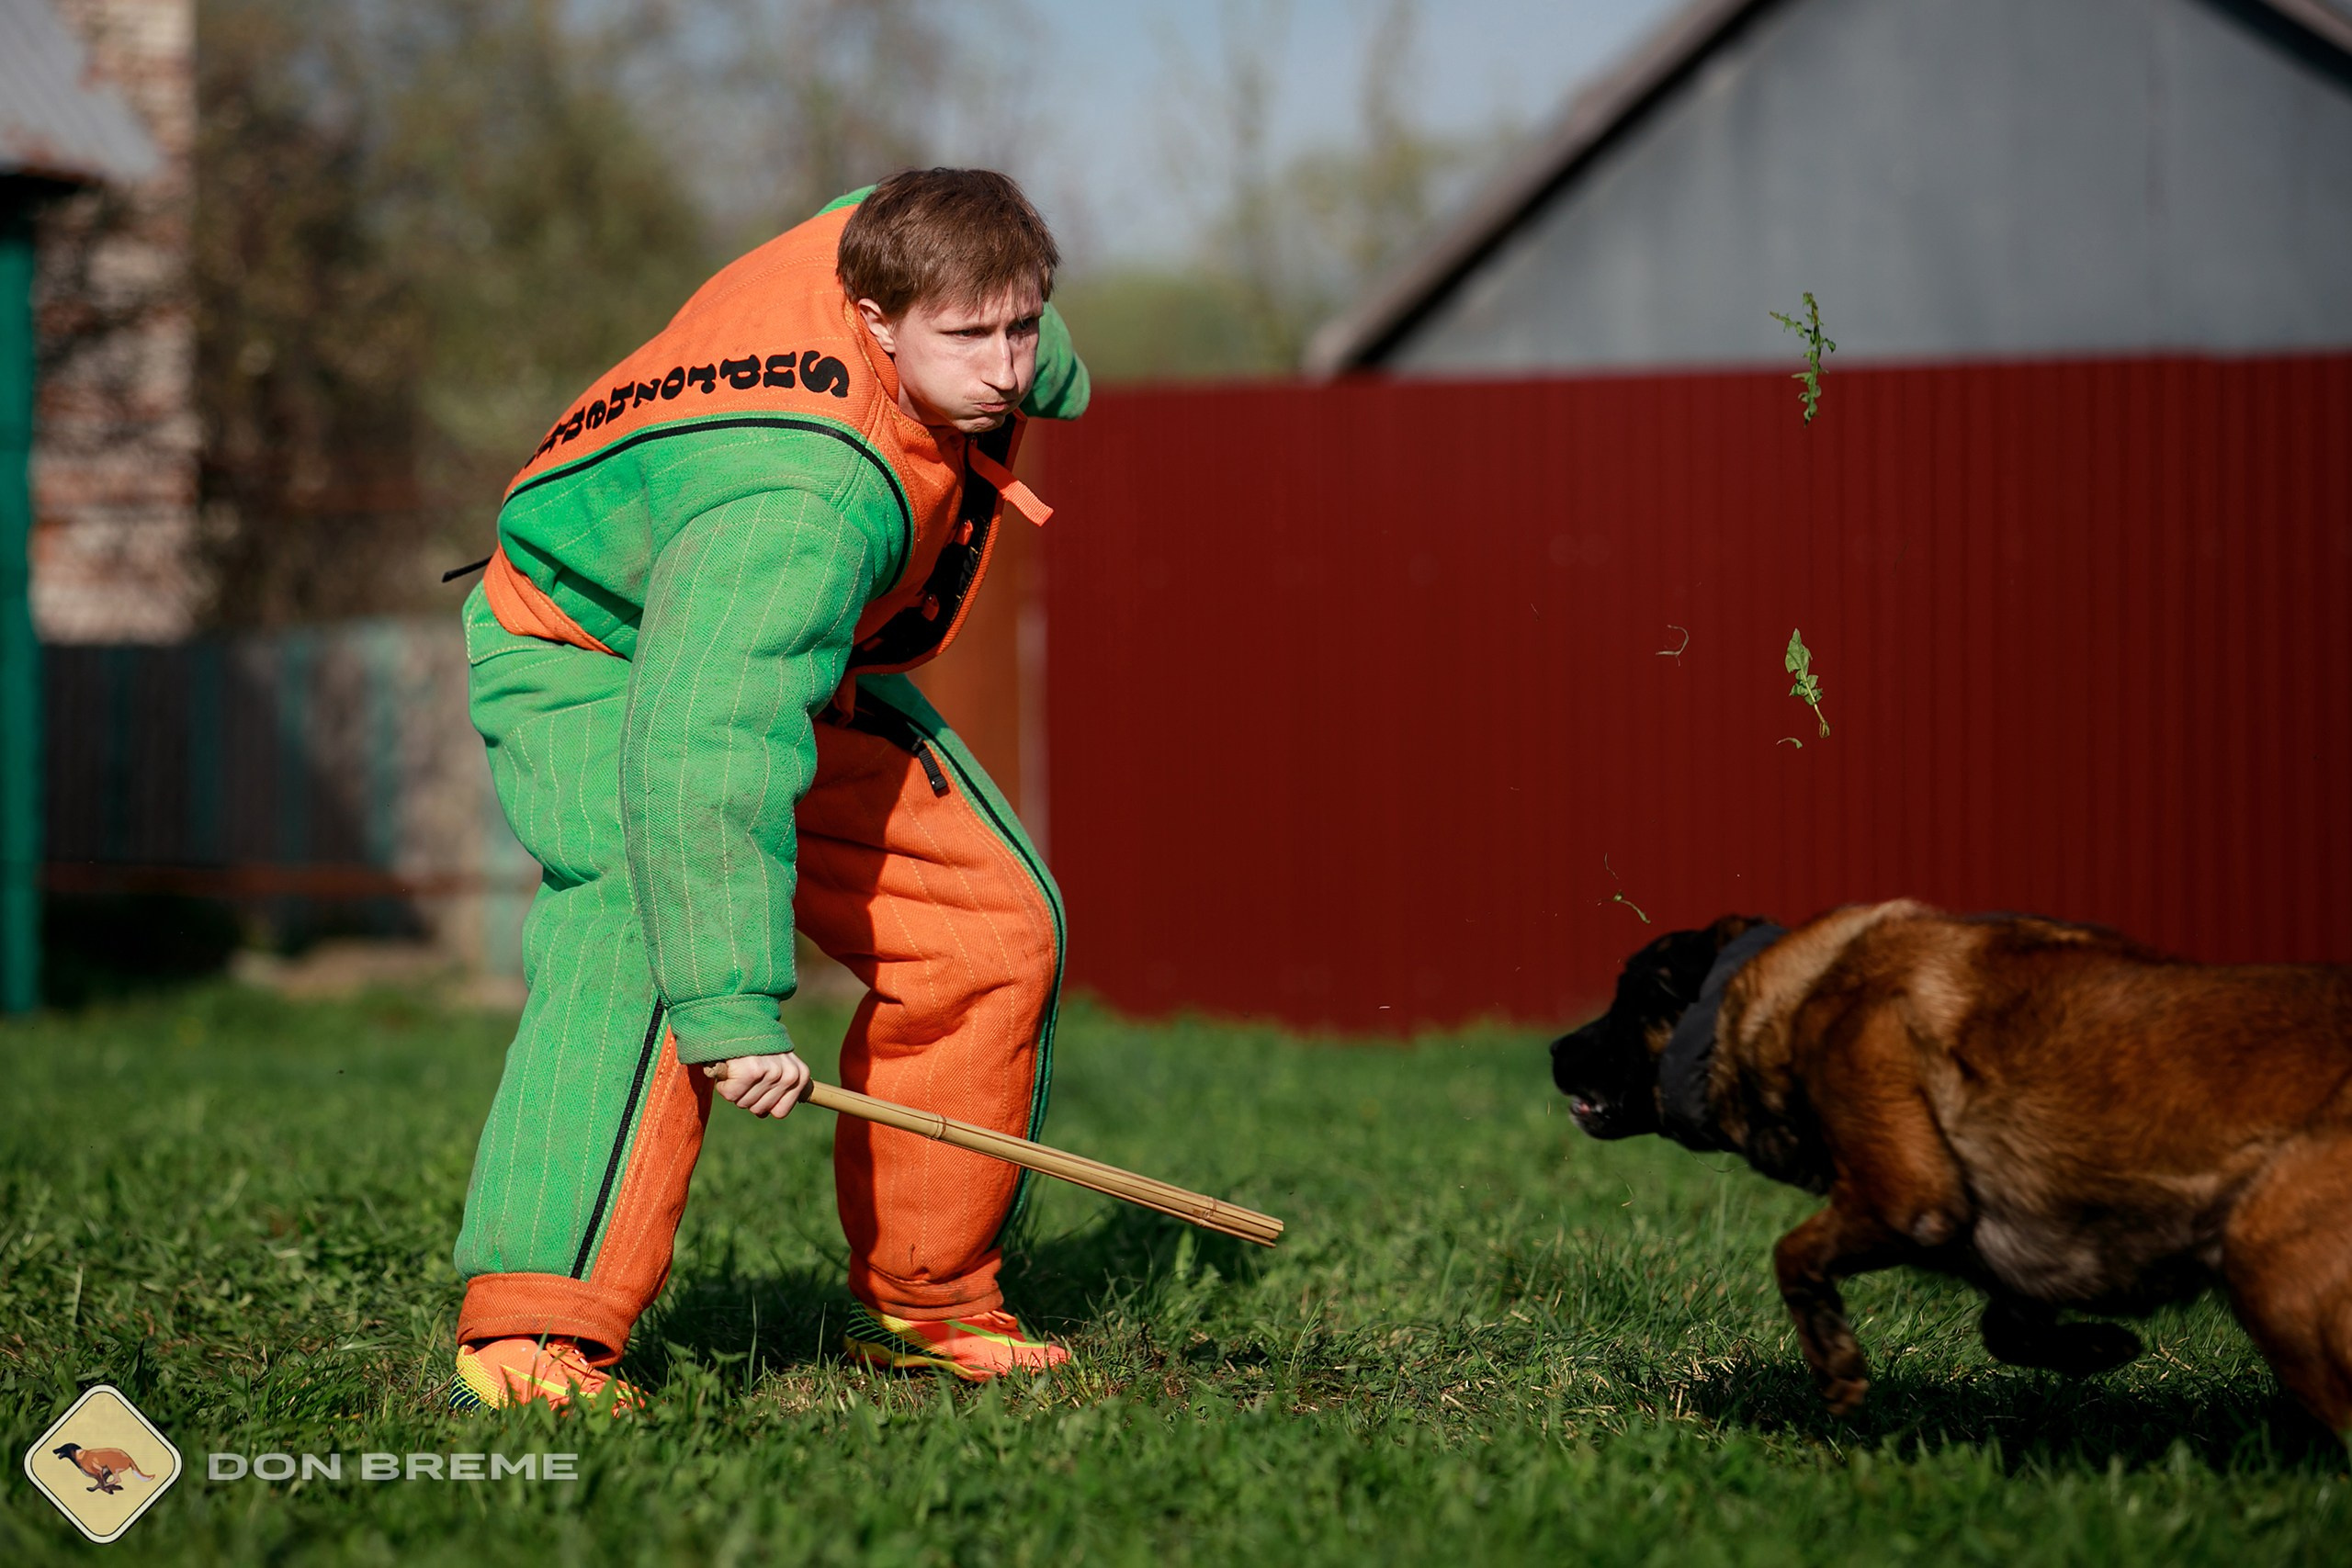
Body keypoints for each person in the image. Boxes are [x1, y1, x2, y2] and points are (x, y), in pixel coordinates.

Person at [444, 168, 1088, 1413]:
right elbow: (704, 743)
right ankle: (533, 1328)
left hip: (761, 645)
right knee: (639, 921)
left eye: (1023, 327)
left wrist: (1032, 342)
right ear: (875, 318)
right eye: (972, 339)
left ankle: (924, 1299)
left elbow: (961, 265)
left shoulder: (904, 247)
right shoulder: (804, 503)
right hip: (592, 649)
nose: (1008, 371)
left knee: (991, 926)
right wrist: (729, 1006)